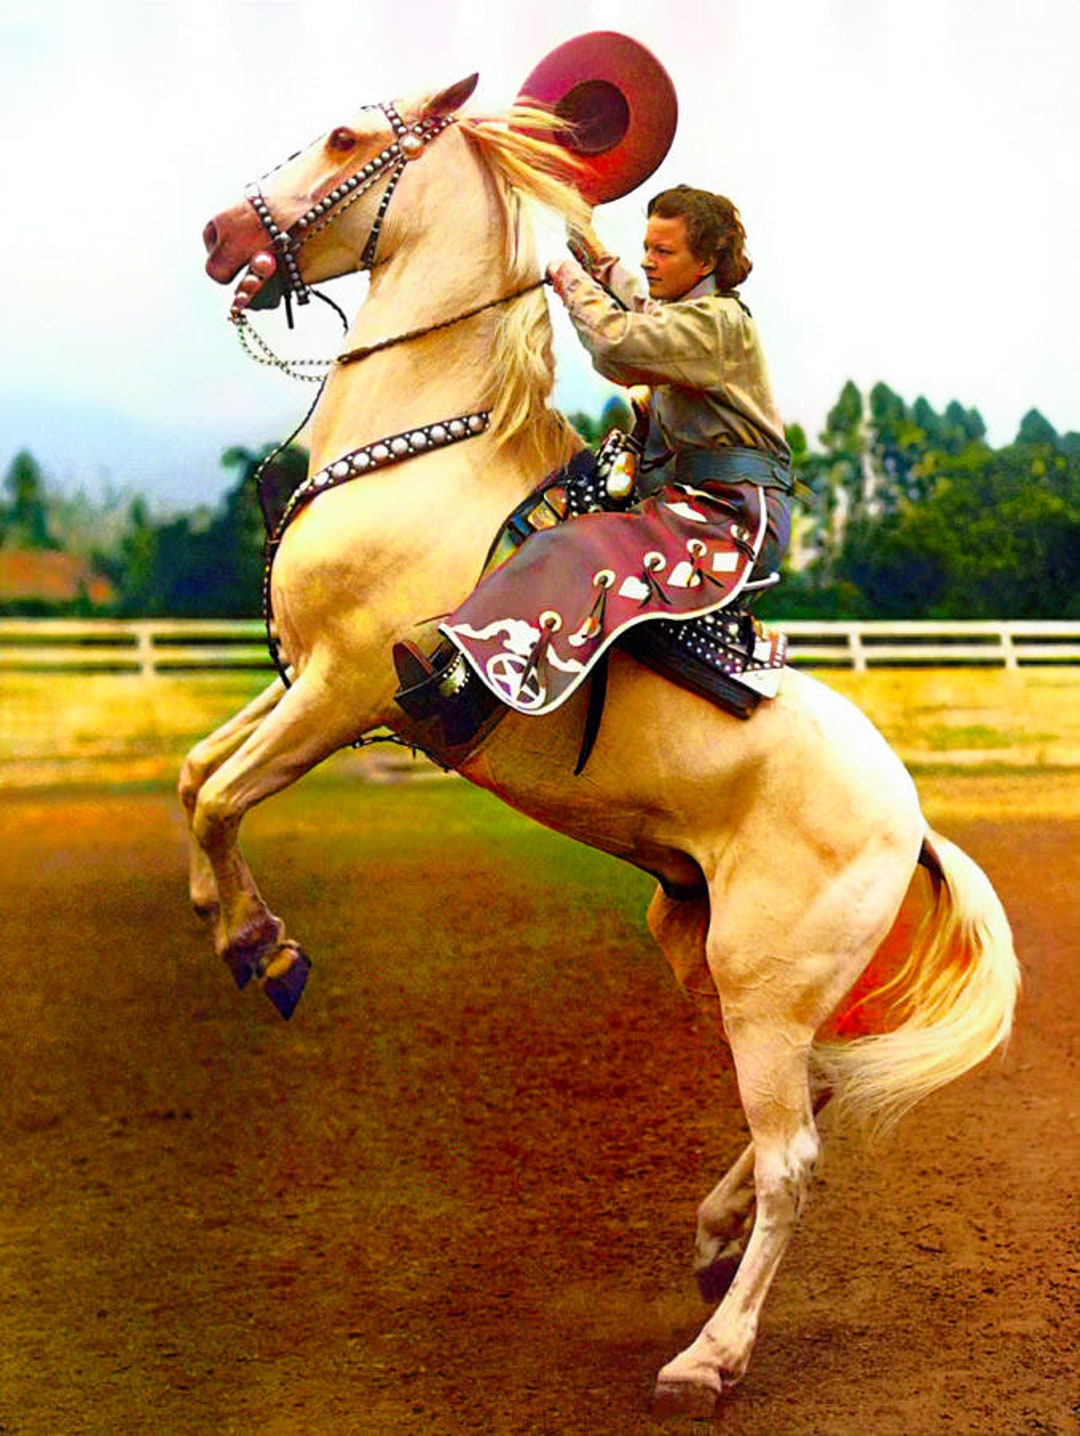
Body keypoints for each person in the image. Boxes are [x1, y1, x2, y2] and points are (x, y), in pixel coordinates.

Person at [395, 185, 792, 750]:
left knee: (581, 546)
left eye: (664, 251)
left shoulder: (717, 324)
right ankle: (477, 665)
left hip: (734, 516)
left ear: (705, 262)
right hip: (696, 503)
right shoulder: (687, 314)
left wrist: (562, 272)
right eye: (647, 247)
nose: (648, 261)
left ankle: (474, 691)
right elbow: (632, 293)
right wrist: (577, 220)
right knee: (553, 508)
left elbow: (616, 344)